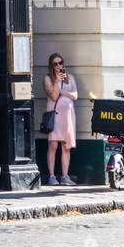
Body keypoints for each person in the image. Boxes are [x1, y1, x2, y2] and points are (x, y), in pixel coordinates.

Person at [43, 53, 78, 186]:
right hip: (55, 114)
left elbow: (75, 95)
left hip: (68, 116)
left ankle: (65, 176)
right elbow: (53, 96)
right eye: (55, 64)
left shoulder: (70, 78)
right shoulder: (48, 79)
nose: (58, 66)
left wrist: (64, 92)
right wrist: (57, 81)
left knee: (66, 146)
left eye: (60, 63)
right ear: (51, 66)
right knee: (53, 144)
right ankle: (51, 175)